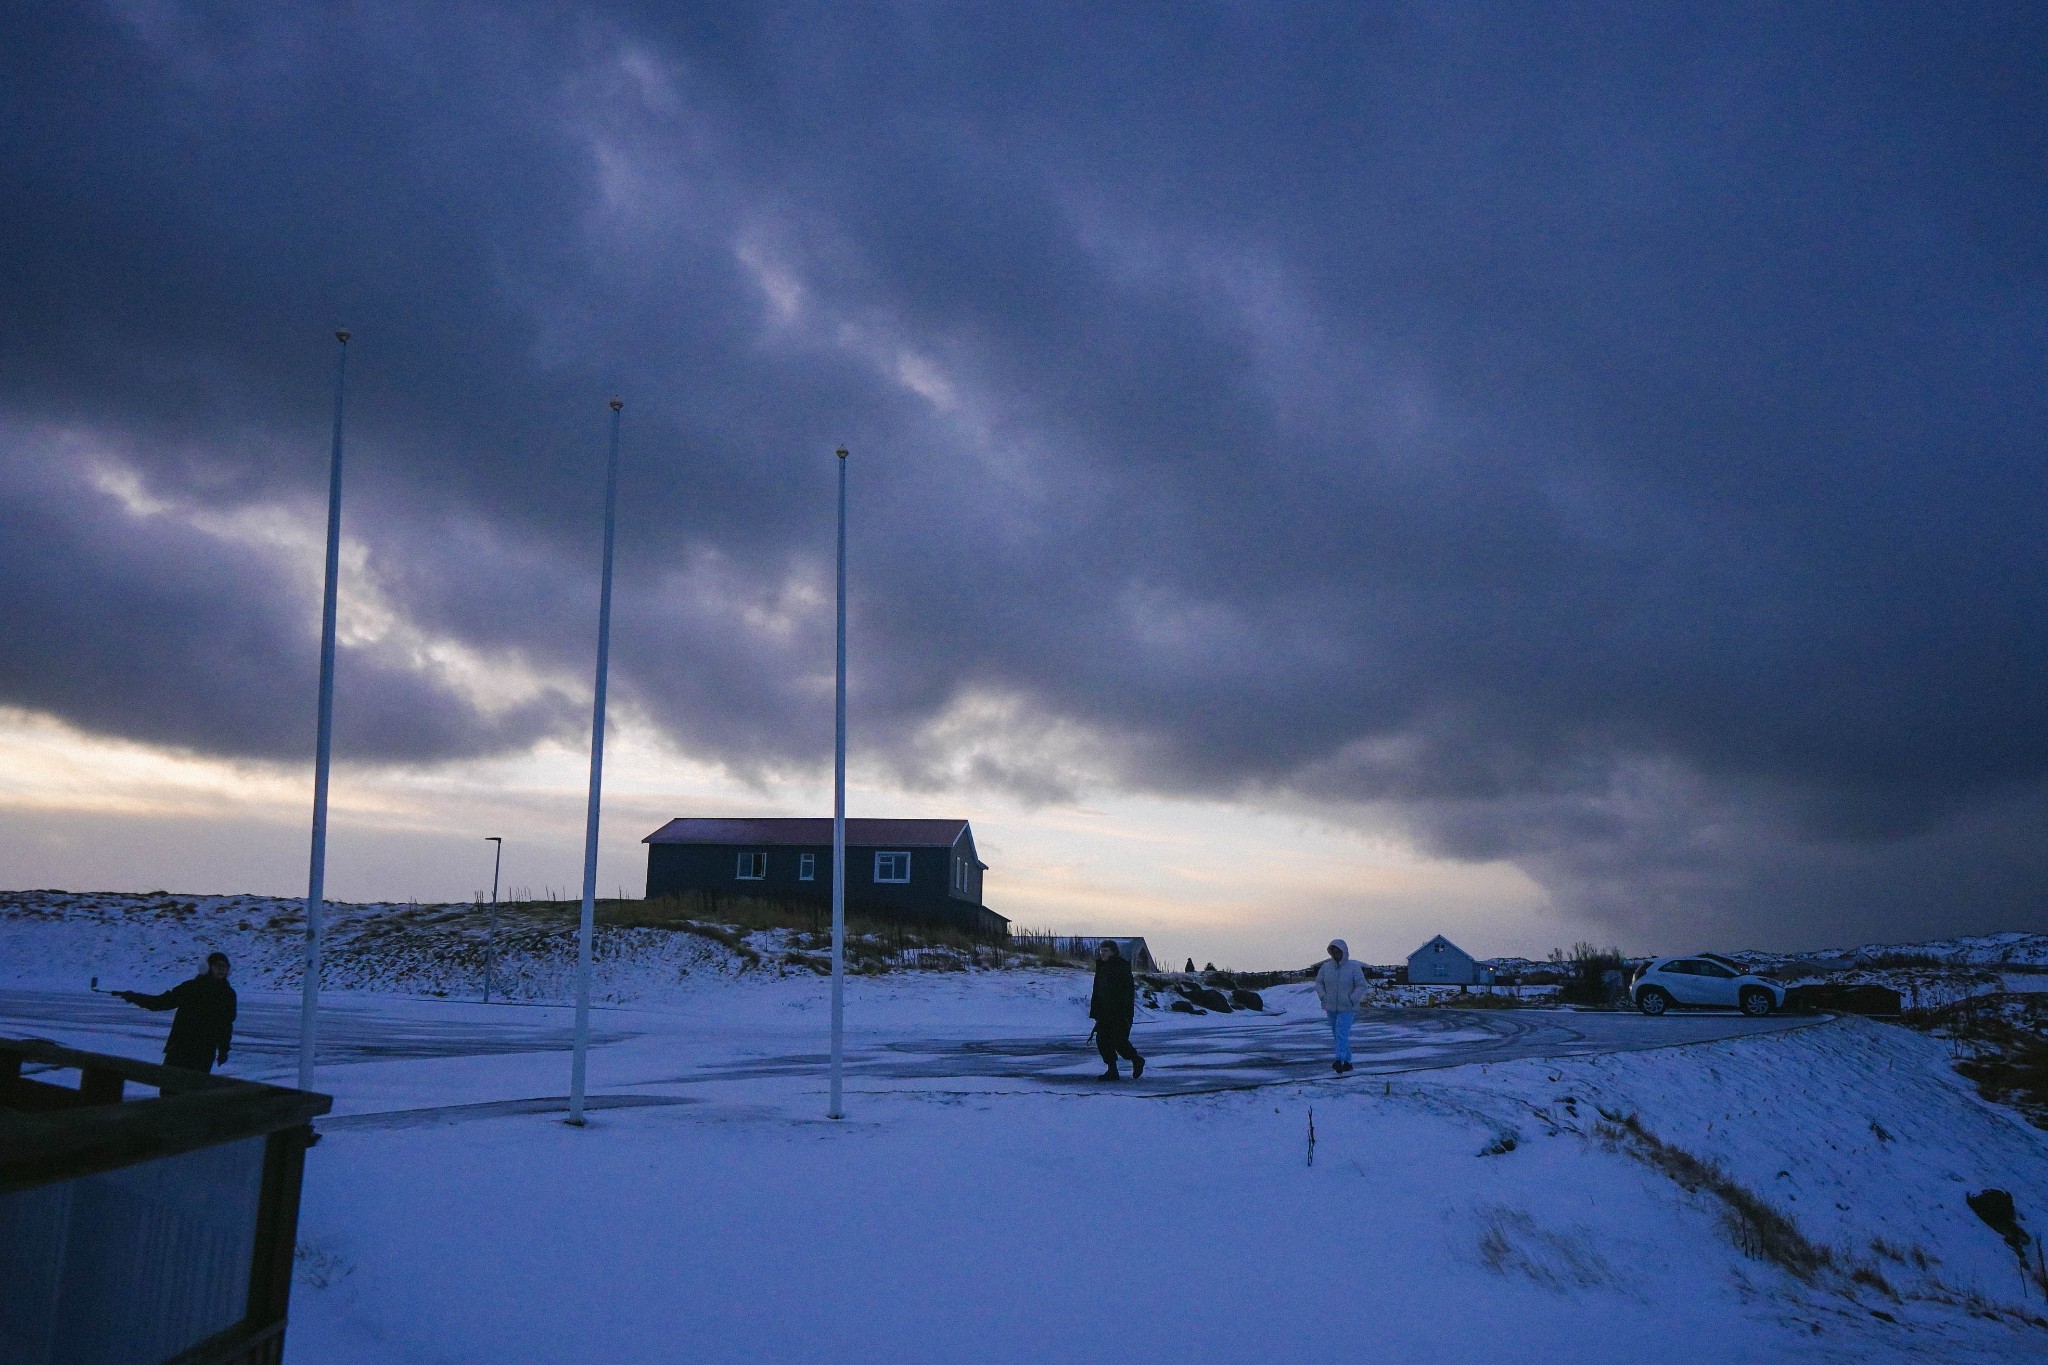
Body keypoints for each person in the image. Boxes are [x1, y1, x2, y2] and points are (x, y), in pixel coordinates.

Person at [118, 951, 237, 1074]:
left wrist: (223, 1050)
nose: (221, 969)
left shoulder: (228, 995)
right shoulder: (191, 988)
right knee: (169, 1088)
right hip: (180, 1049)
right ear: (208, 967)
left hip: (204, 1054)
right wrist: (136, 998)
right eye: (218, 965)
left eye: (224, 966)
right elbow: (162, 1002)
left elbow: (226, 1024)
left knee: (195, 1091)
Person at [1089, 940, 1145, 1081]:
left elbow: (1126, 992)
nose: (1103, 954)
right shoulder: (1101, 967)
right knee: (1102, 1040)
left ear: (1113, 951)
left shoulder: (1120, 967)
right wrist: (1096, 1011)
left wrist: (1123, 1012)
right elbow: (1098, 991)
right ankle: (1112, 1070)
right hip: (1104, 1012)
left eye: (1106, 951)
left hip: (1119, 1012)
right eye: (1101, 951)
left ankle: (1136, 1059)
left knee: (1118, 1040)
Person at [1313, 939, 1368, 1073]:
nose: (1336, 953)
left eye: (1338, 951)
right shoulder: (1326, 968)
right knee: (1337, 1035)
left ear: (1344, 951)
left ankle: (1338, 1060)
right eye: (1334, 951)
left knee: (1341, 1032)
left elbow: (1361, 985)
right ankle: (1348, 1062)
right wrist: (1323, 996)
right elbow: (1319, 983)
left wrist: (1352, 998)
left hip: (1348, 1007)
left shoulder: (1353, 967)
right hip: (1330, 1006)